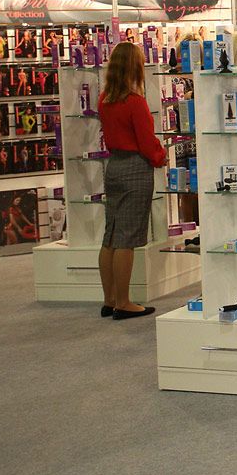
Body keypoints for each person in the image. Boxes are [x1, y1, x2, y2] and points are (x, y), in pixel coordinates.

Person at [98, 41, 167, 320]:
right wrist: (161, 156)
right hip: (135, 169)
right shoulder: (135, 103)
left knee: (111, 236)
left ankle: (110, 299)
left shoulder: (104, 99)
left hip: (114, 166)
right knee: (126, 239)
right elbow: (147, 143)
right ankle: (124, 303)